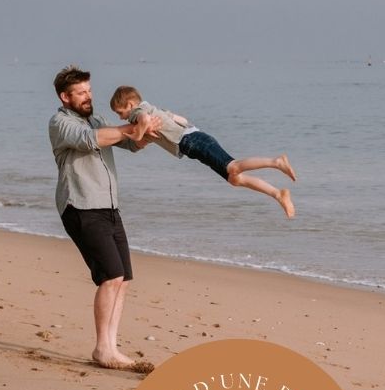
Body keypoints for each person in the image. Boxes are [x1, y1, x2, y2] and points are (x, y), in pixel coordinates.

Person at [48, 65, 160, 372]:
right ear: (65, 96)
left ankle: (110, 346)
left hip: (109, 206)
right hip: (81, 206)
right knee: (110, 276)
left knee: (122, 278)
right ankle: (102, 348)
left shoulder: (97, 118)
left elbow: (131, 144)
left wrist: (149, 132)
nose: (88, 97)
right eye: (81, 93)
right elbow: (89, 139)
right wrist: (132, 128)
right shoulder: (60, 122)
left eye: (89, 90)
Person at [109, 86, 296, 218]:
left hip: (192, 141)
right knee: (235, 179)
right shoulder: (156, 108)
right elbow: (181, 119)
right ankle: (278, 194)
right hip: (196, 139)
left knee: (234, 168)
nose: (121, 116)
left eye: (120, 112)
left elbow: (143, 119)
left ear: (131, 104)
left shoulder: (139, 112)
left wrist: (138, 134)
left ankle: (276, 162)